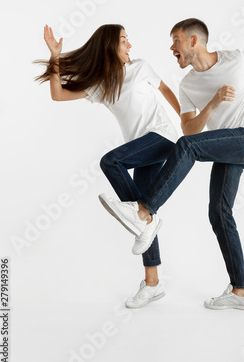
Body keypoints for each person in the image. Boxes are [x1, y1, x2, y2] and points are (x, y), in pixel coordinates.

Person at [99, 18, 244, 311]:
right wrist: (213, 105)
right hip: (225, 147)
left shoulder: (237, 60)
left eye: (176, 41)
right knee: (218, 212)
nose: (171, 48)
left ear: (194, 41)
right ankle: (241, 290)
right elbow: (190, 130)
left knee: (187, 149)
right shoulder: (188, 84)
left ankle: (144, 212)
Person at [34, 24, 180, 309]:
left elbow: (166, 91)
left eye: (128, 39)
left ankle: (144, 221)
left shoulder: (141, 67)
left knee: (110, 161)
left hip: (163, 137)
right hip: (141, 149)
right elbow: (58, 94)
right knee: (141, 211)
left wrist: (187, 120)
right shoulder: (102, 83)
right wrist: (55, 56)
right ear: (109, 46)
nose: (130, 45)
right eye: (124, 40)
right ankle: (153, 282)